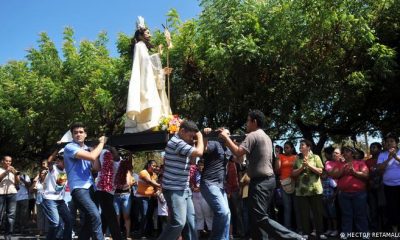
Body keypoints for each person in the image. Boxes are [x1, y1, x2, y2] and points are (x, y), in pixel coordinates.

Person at [219, 110, 304, 240]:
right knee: (256, 218)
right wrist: (231, 142)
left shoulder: (253, 135)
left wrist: (225, 138)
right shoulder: (266, 137)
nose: (246, 123)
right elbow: (240, 156)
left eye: (248, 120)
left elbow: (237, 152)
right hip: (267, 181)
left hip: (260, 182)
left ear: (254, 122)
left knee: (259, 217)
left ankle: (293, 237)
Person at [158, 120, 204, 240]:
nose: (191, 138)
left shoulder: (184, 143)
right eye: (190, 135)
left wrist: (193, 142)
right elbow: (199, 152)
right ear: (182, 131)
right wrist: (200, 135)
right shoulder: (176, 142)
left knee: (191, 222)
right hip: (174, 189)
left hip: (184, 188)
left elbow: (193, 162)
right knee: (178, 222)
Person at [125, 16, 172, 133]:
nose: (150, 35)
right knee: (148, 103)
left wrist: (161, 70)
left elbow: (148, 66)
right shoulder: (139, 46)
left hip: (149, 81)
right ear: (140, 35)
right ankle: (145, 126)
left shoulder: (143, 48)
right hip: (145, 82)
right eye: (148, 33)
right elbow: (145, 66)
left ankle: (156, 124)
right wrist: (157, 57)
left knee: (156, 105)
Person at [64, 122, 107, 240]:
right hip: (78, 188)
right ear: (72, 135)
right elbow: (92, 156)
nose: (78, 134)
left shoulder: (87, 149)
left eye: (81, 132)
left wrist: (94, 151)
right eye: (75, 132)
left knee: (89, 220)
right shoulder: (69, 147)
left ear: (85, 134)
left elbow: (96, 168)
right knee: (95, 215)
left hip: (91, 187)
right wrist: (102, 143)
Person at [199, 128, 231, 240]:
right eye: (225, 133)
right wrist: (205, 135)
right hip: (209, 183)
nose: (227, 135)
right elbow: (204, 148)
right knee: (223, 212)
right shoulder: (215, 144)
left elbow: (240, 159)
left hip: (221, 186)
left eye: (228, 134)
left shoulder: (229, 148)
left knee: (227, 215)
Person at [291, 139, 326, 240]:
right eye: (300, 145)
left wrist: (309, 165)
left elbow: (320, 171)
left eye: (302, 145)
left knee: (318, 212)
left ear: (308, 147)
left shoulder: (316, 157)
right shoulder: (297, 158)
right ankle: (306, 232)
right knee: (304, 213)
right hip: (301, 191)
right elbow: (293, 173)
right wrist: (302, 167)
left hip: (315, 189)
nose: (300, 147)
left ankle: (320, 232)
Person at [332, 145, 369, 237]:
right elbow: (335, 175)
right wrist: (342, 170)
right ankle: (346, 234)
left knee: (360, 215)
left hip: (359, 193)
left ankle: (363, 234)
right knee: (346, 215)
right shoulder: (340, 164)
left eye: (347, 151)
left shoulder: (360, 163)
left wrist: (354, 172)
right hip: (343, 194)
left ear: (352, 153)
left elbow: (366, 175)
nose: (345, 153)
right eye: (344, 151)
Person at [41, 150, 72, 240]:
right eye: (62, 161)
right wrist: (57, 150)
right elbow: (49, 161)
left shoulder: (66, 170)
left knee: (69, 221)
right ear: (58, 161)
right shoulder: (53, 168)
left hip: (60, 200)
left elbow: (60, 187)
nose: (65, 163)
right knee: (55, 223)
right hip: (49, 199)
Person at [93, 146, 123, 240]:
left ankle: (98, 236)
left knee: (106, 216)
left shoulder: (115, 161)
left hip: (107, 191)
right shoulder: (114, 160)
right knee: (111, 216)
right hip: (103, 190)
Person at [377, 133, 400, 233]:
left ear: (396, 143)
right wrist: (390, 158)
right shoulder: (382, 155)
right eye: (387, 142)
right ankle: (395, 231)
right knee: (392, 209)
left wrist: (396, 157)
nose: (389, 143)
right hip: (388, 186)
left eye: (392, 141)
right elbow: (380, 168)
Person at [274, 141, 297, 230]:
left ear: (292, 148)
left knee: (296, 208)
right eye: (284, 147)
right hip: (284, 184)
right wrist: (277, 158)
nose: (285, 149)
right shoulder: (280, 156)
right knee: (287, 208)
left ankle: (300, 229)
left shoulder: (296, 157)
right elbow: (277, 171)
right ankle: (287, 229)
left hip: (295, 183)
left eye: (287, 147)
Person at [137, 160, 160, 238]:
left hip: (151, 198)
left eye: (155, 166)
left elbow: (155, 186)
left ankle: (149, 233)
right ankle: (142, 234)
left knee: (149, 216)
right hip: (143, 198)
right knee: (144, 215)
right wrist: (161, 186)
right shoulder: (143, 172)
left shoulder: (154, 175)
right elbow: (149, 181)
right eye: (153, 165)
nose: (154, 167)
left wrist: (157, 192)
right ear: (148, 165)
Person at [114, 155, 134, 239]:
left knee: (126, 216)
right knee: (117, 216)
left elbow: (129, 183)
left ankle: (127, 235)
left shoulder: (128, 172)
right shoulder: (115, 171)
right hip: (116, 195)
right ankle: (117, 235)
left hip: (126, 195)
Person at [0, 156, 20, 240]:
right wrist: (6, 172)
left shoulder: (13, 170)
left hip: (12, 193)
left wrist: (15, 174)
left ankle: (8, 234)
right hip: (1, 194)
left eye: (10, 161)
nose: (8, 163)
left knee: (11, 215)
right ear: (2, 161)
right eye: (6, 161)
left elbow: (18, 183)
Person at [365, 142, 384, 231]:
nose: (372, 149)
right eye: (371, 148)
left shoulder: (384, 159)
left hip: (383, 188)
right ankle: (375, 228)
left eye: (374, 147)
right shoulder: (367, 161)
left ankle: (385, 227)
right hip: (371, 188)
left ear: (380, 149)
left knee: (383, 207)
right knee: (373, 209)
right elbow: (366, 174)